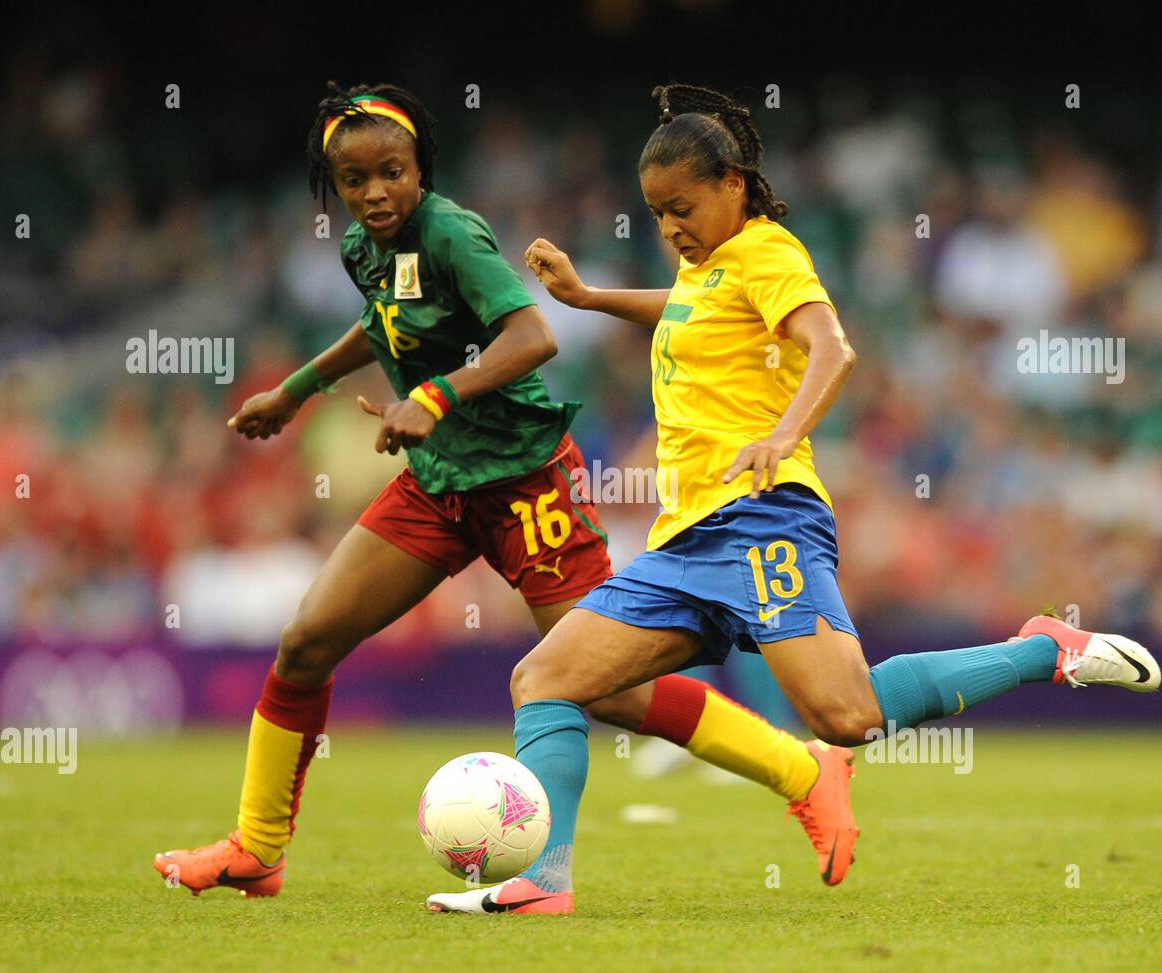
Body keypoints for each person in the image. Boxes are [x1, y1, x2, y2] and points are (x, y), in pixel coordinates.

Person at [426, 83, 1161, 916]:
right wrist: (592, 299)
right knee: (549, 676)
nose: (670, 228)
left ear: (733, 184)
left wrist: (783, 433)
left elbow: (831, 346)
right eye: (657, 214)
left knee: (845, 715)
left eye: (682, 208)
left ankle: (1042, 650)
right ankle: (544, 880)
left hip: (762, 520)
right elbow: (696, 308)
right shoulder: (708, 266)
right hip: (686, 541)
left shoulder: (770, 250)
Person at [154, 83, 860, 903]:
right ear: (333, 185)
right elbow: (386, 322)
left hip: (527, 480)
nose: (375, 193)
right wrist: (299, 387)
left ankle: (801, 768)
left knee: (613, 690)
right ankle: (258, 846)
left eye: (392, 173)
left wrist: (435, 396)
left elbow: (534, 334)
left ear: (422, 168)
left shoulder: (454, 234)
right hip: (440, 478)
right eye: (354, 181)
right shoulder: (362, 247)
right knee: (306, 641)